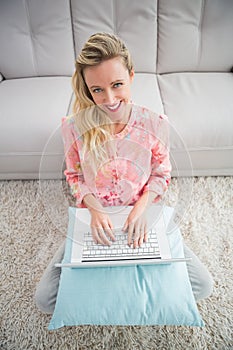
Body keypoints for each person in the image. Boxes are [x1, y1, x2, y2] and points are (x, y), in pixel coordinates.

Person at [35, 33, 213, 314]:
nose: (109, 99)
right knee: (45, 300)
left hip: (142, 214)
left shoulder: (155, 124)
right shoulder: (73, 128)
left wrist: (141, 209)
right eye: (97, 90)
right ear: (86, 89)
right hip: (96, 217)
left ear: (131, 76)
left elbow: (161, 173)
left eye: (117, 85)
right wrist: (95, 211)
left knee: (203, 285)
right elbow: (75, 176)